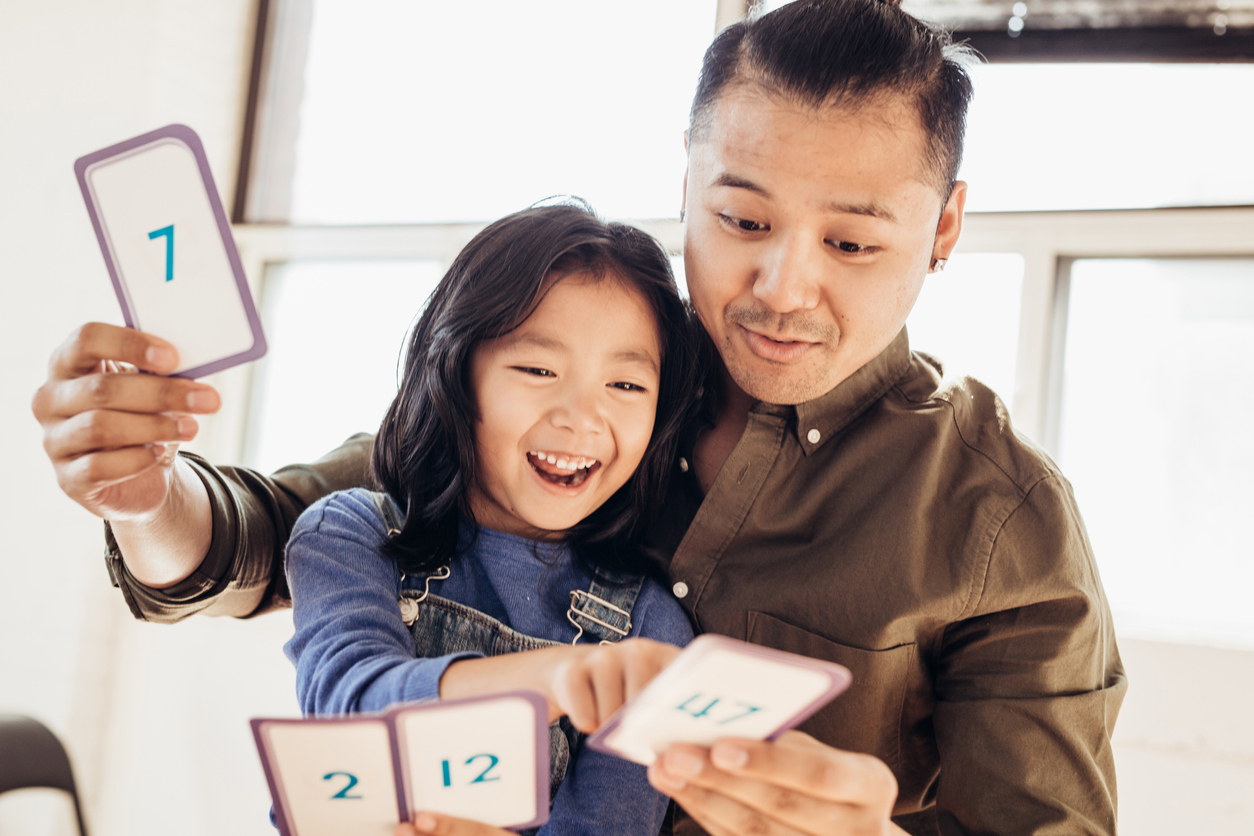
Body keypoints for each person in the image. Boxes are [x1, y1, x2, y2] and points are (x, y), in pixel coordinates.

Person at [32, 1, 1126, 834]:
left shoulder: (1001, 518)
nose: (784, 286)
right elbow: (291, 525)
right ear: (688, 182)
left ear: (944, 227)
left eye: (851, 242)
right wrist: (146, 488)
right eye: (742, 216)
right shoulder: (586, 367)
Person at [283, 203, 698, 835]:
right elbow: (349, 706)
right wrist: (560, 676)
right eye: (538, 370)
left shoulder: (650, 628)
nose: (582, 417)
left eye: (626, 386)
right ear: (455, 371)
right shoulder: (350, 535)